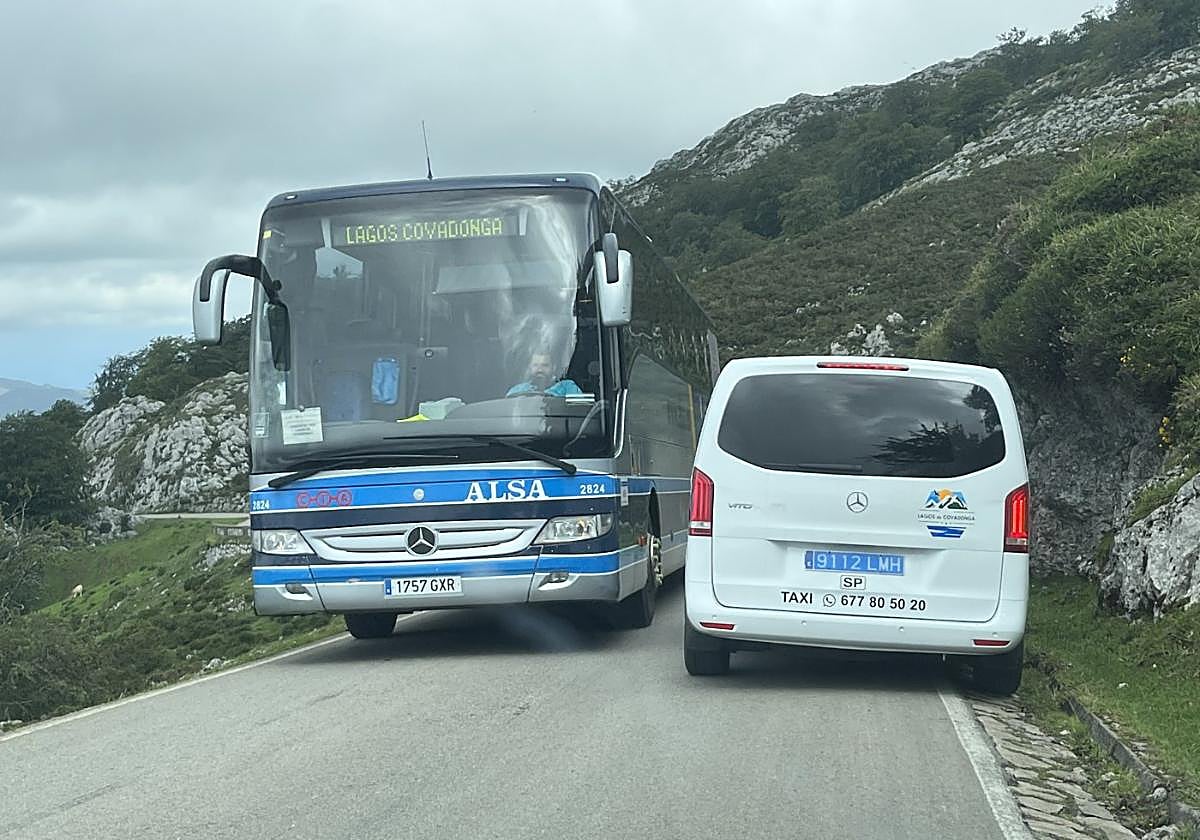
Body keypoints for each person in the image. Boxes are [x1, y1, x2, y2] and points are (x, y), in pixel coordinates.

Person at [506, 351, 583, 397]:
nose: (540, 369)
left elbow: (580, 409)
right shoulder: (518, 390)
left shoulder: (567, 388)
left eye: (545, 365)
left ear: (553, 367)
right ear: (529, 367)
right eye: (535, 365)